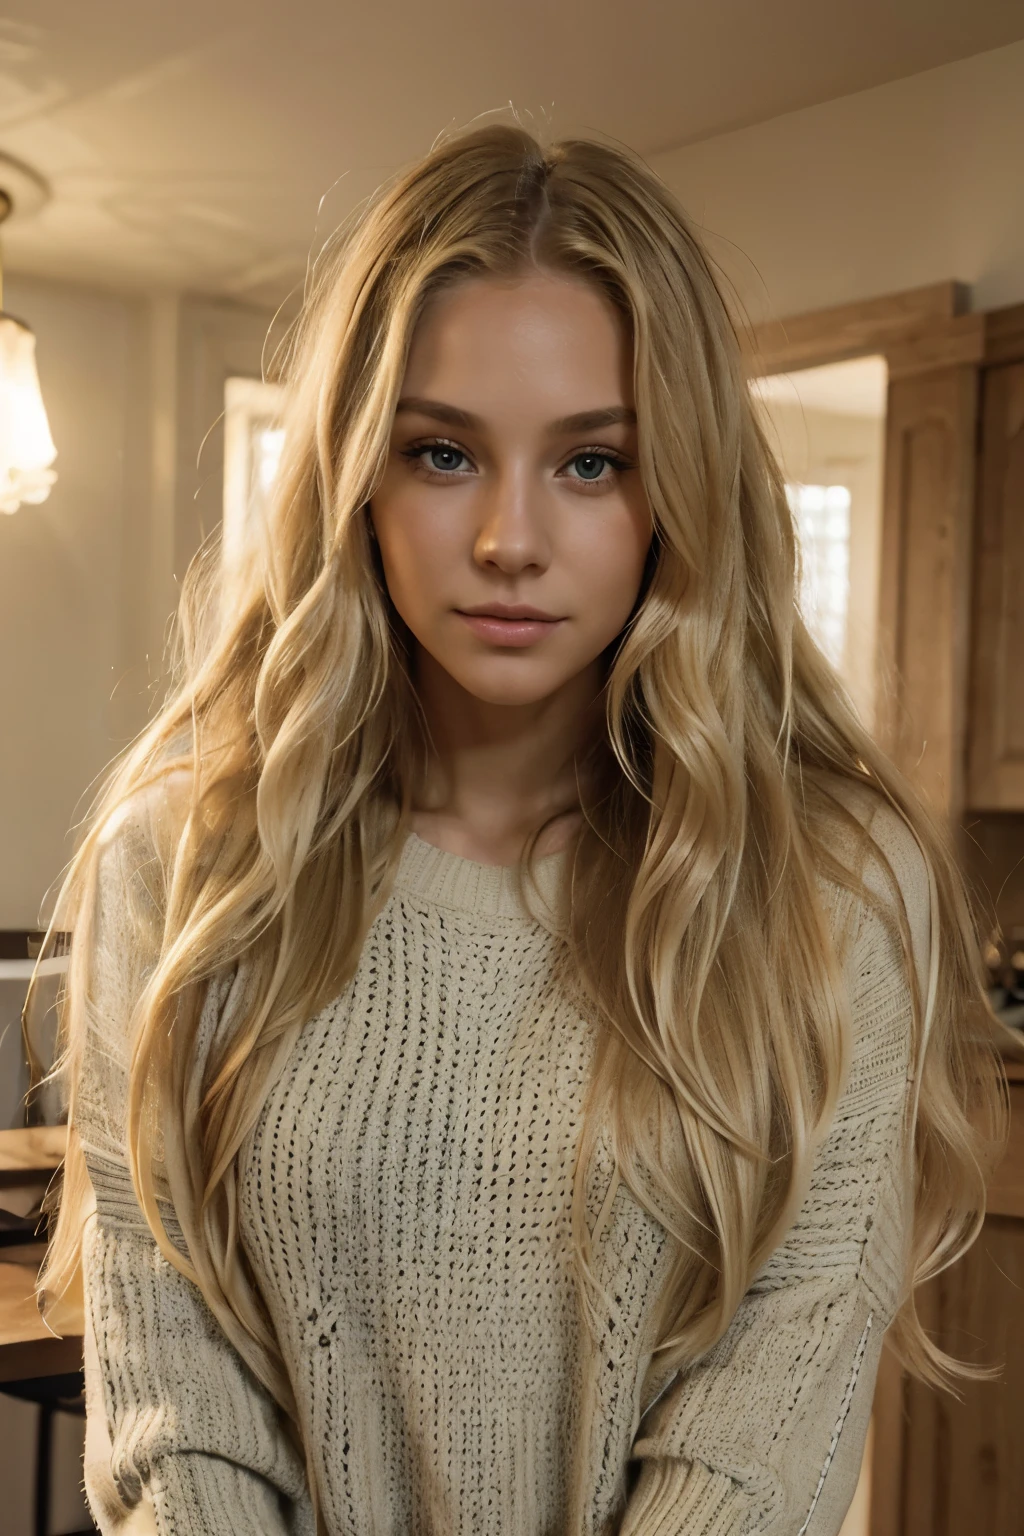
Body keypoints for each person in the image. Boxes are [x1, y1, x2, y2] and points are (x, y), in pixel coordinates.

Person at [29, 122, 1006, 1536]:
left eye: (591, 464)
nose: (508, 537)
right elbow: (180, 1410)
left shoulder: (834, 887)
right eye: (441, 452)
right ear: (360, 480)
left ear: (679, 487)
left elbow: (764, 1425)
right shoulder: (181, 866)